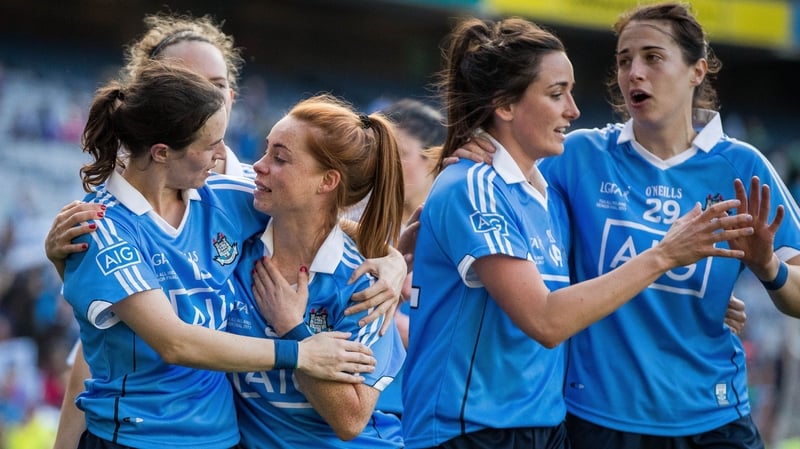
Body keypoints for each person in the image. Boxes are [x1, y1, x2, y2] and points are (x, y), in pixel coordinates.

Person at [455, 3, 800, 448]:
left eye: (652, 57)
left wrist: (769, 266)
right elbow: (479, 199)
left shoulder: (741, 167)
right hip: (598, 420)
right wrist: (480, 149)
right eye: (624, 60)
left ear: (696, 71)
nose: (634, 72)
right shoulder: (578, 156)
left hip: (713, 418)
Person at [55, 61, 378, 449]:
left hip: (221, 438)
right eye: (210, 146)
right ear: (162, 153)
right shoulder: (101, 227)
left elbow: (311, 212)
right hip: (140, 437)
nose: (222, 155)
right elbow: (176, 343)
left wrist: (388, 259)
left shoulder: (224, 198)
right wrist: (299, 353)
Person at [228, 93, 405, 448]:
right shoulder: (234, 246)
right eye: (266, 150)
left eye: (280, 158)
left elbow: (350, 420)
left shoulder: (364, 288)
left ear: (327, 181)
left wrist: (292, 329)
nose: (258, 166)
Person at [373, 98, 445, 420]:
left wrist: (408, 325)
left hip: (424, 405)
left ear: (434, 160)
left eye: (400, 154)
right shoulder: (357, 222)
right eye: (383, 152)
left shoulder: (451, 230)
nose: (387, 164)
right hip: (363, 398)